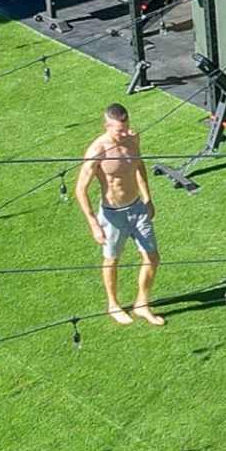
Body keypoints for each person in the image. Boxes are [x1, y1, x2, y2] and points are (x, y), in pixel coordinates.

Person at [71, 102, 165, 325]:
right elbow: (80, 189)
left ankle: (142, 304)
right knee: (112, 259)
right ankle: (113, 304)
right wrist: (93, 223)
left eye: (125, 128)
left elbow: (139, 166)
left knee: (152, 257)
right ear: (106, 126)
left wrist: (148, 198)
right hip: (113, 214)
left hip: (137, 208)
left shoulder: (132, 139)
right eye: (118, 130)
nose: (123, 133)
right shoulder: (97, 151)